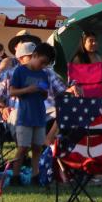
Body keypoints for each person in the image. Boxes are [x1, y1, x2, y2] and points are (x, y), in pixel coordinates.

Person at [8, 42, 64, 186]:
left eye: (46, 64)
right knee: (23, 148)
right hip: (25, 116)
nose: (43, 66)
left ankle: (35, 175)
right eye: (42, 62)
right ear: (35, 55)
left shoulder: (43, 74)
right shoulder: (20, 71)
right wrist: (28, 90)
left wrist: (43, 92)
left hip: (39, 116)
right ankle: (15, 176)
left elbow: (45, 95)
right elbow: (12, 92)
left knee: (37, 147)